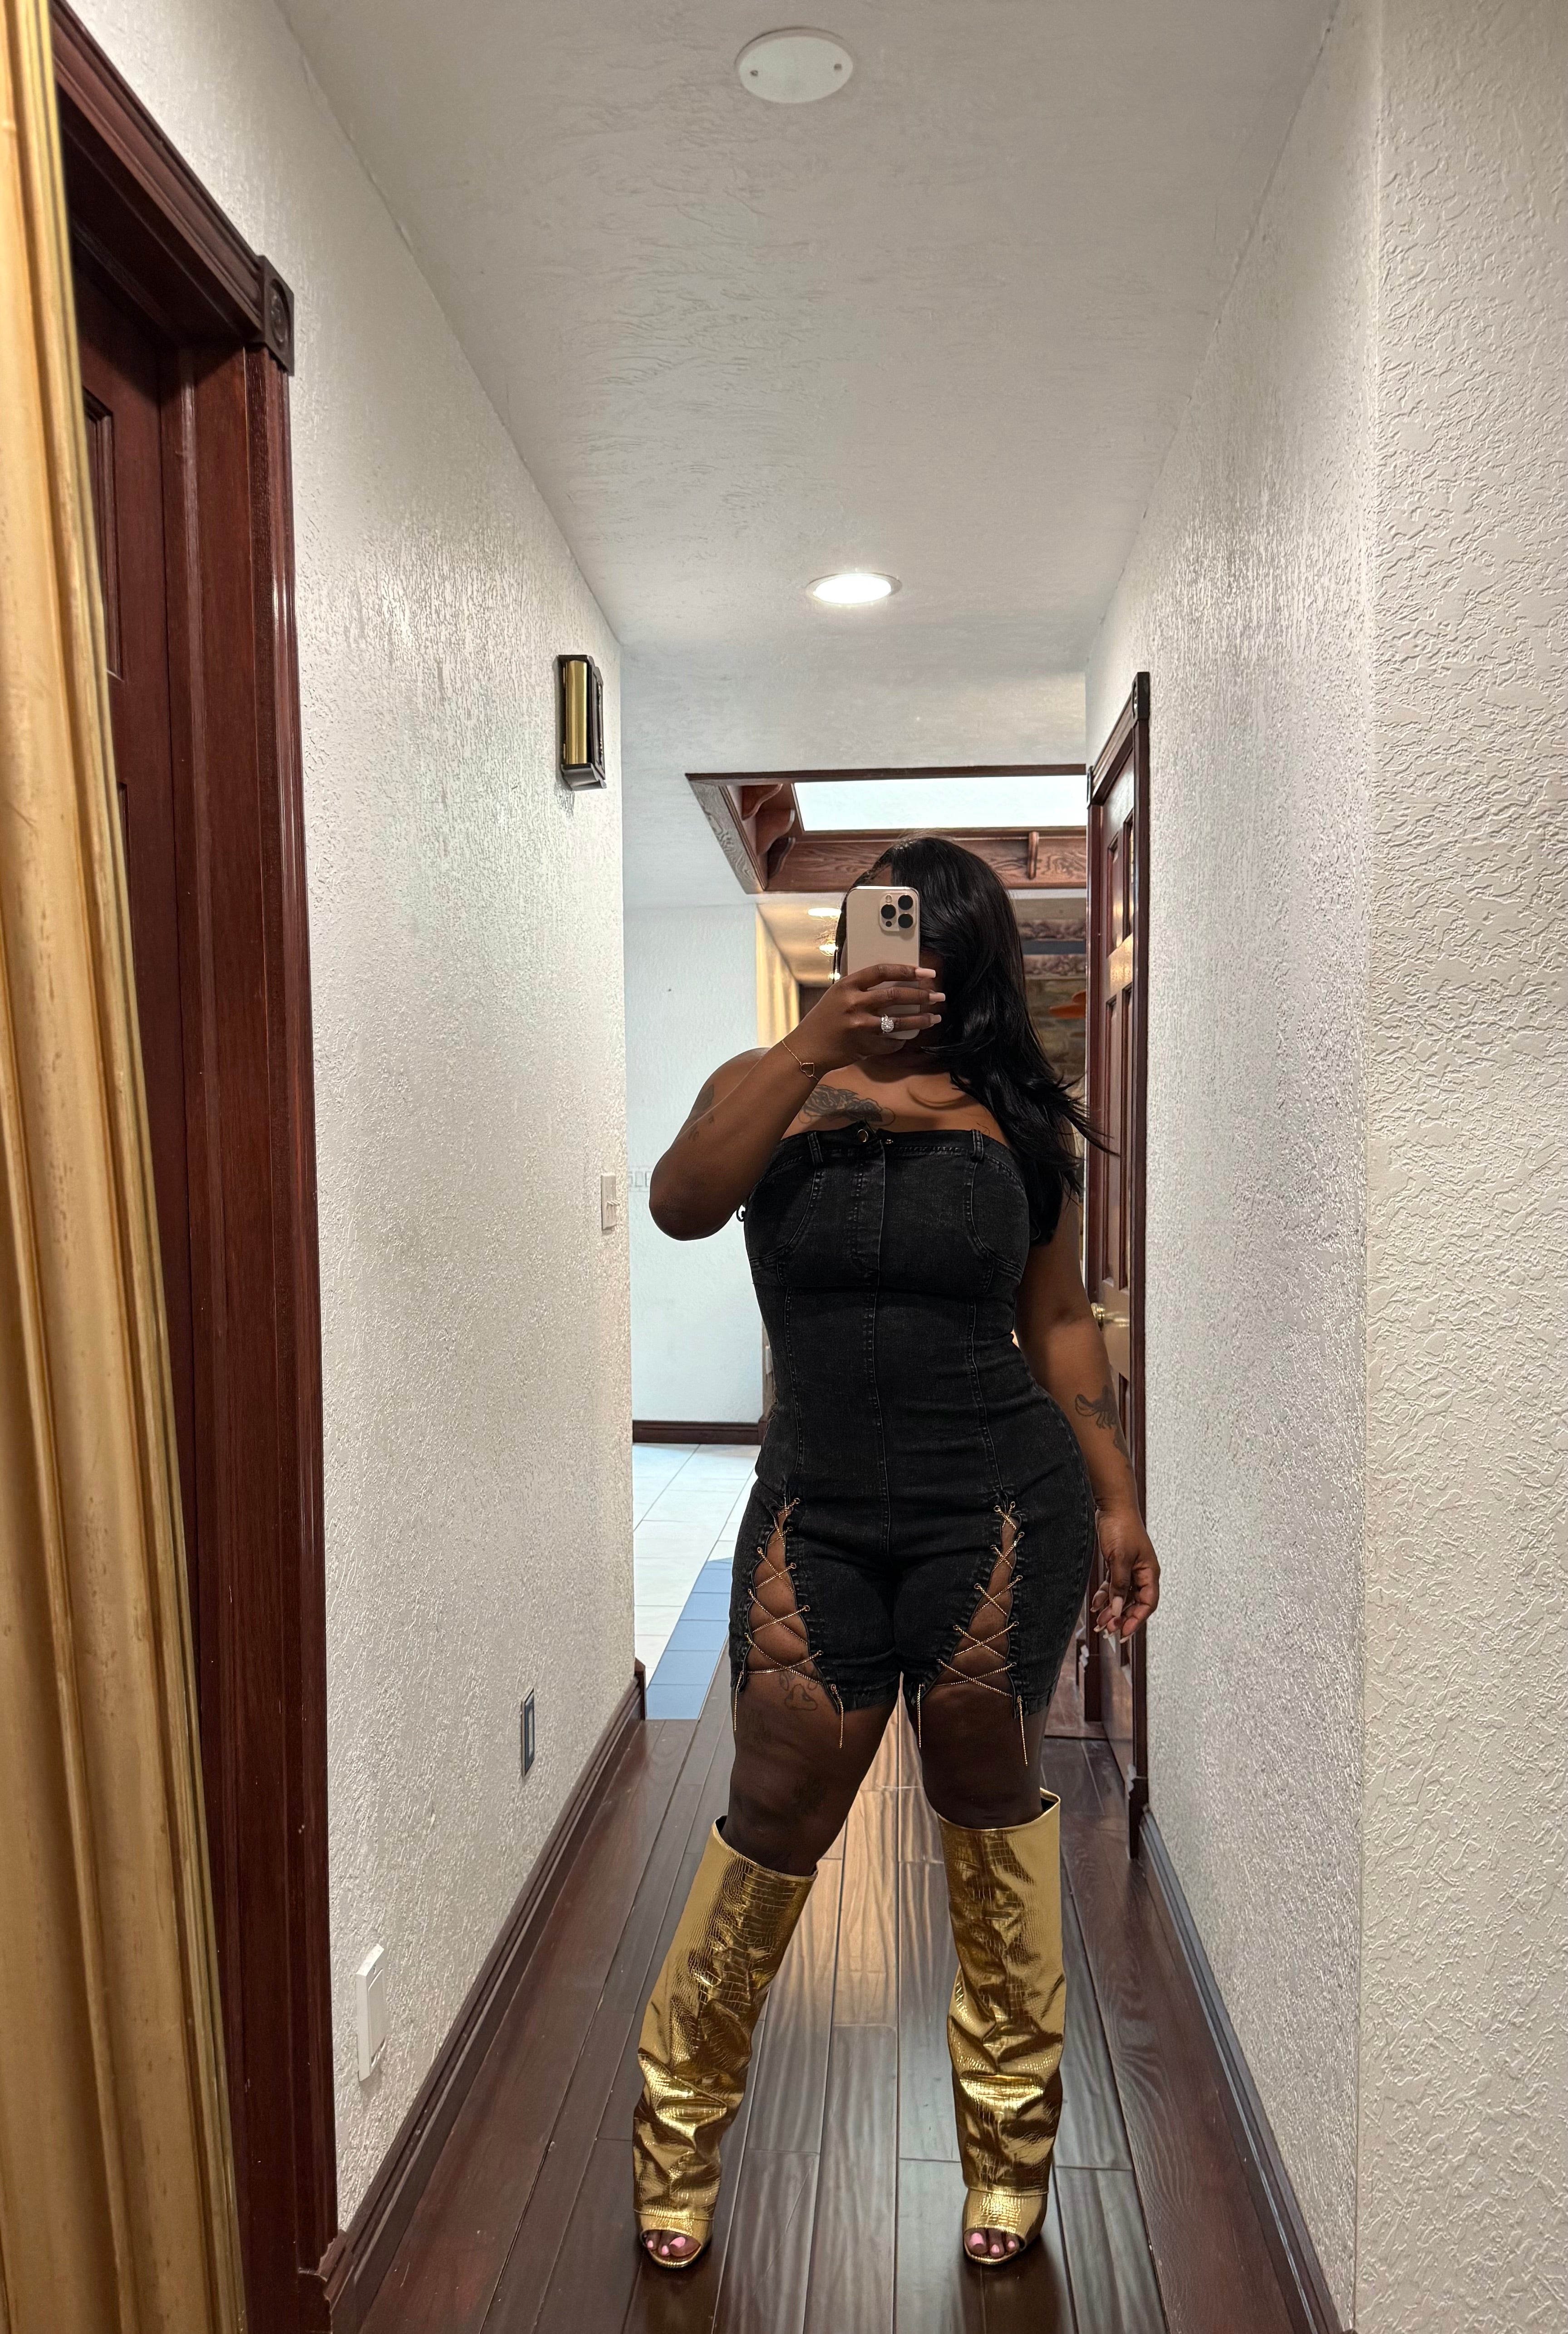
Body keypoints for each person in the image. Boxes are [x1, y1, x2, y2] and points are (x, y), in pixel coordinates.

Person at [631, 835, 1159, 2271]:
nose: (904, 964)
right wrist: (814, 1042)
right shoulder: (767, 1084)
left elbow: (1059, 1324)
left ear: (971, 963)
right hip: (815, 1506)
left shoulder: (1014, 1126)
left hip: (997, 1503)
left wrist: (1118, 1498)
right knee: (774, 1802)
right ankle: (675, 2137)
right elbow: (681, 1202)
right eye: (882, 932)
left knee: (986, 1794)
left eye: (935, 941)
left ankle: (1010, 2152)